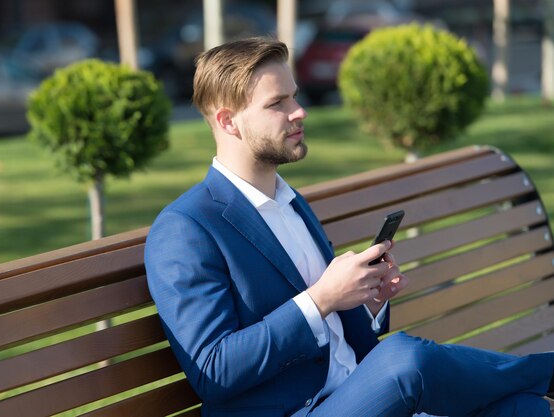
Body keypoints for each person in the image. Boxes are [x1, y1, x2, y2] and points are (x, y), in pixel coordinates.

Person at [144, 37, 554, 417]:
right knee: (405, 360)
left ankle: (539, 380)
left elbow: (342, 339)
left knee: (525, 409)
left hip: (358, 398)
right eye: (277, 103)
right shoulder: (186, 229)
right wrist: (321, 298)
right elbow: (213, 371)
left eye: (295, 97)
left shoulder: (289, 202)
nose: (298, 111)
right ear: (228, 122)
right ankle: (548, 371)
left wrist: (367, 302)